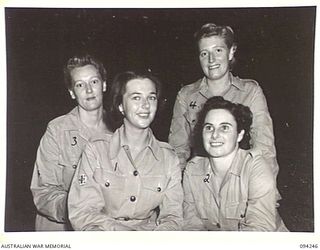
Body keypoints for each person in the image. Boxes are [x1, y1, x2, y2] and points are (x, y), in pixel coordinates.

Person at [68, 71, 183, 231]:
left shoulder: (168, 158)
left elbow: (173, 217)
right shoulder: (96, 150)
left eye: (151, 97)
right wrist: (123, 237)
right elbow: (82, 212)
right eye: (136, 97)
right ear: (121, 106)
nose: (145, 105)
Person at [169, 23, 278, 178]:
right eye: (204, 54)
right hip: (200, 182)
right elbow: (177, 150)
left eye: (218, 50)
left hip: (241, 180)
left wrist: (264, 193)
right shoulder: (186, 96)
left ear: (231, 52)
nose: (211, 60)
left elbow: (264, 149)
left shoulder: (250, 92)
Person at [30, 54, 111, 231]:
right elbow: (43, 192)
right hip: (62, 231)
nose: (89, 90)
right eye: (80, 85)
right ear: (72, 92)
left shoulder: (120, 130)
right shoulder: (57, 130)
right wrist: (77, 208)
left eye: (94, 82)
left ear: (104, 85)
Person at [183, 96, 288, 231]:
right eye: (209, 127)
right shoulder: (192, 171)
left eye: (224, 128)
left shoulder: (255, 167)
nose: (215, 135)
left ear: (239, 135)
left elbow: (259, 230)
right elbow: (191, 224)